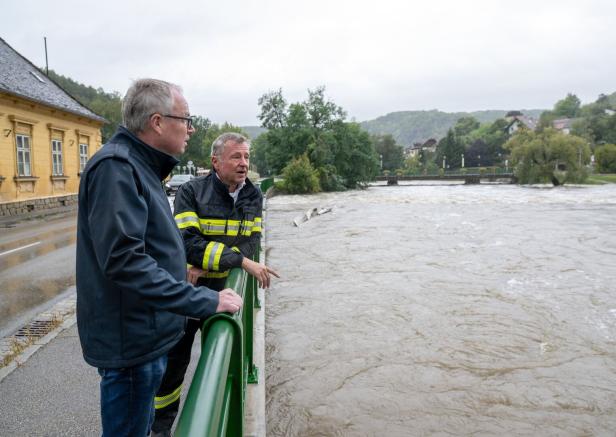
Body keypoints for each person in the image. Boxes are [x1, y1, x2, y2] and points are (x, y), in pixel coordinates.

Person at [75, 79, 243, 437]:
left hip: (144, 334)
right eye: (185, 119)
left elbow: (147, 248)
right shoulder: (117, 167)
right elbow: (125, 261)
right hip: (132, 342)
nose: (191, 128)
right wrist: (204, 299)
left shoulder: (140, 166)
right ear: (157, 121)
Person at [151, 132, 279, 435]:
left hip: (225, 293)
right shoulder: (191, 192)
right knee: (172, 367)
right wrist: (240, 261)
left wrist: (220, 259)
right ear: (215, 161)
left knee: (220, 361)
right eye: (236, 156)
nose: (244, 163)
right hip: (187, 293)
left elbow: (252, 243)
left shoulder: (253, 195)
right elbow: (188, 243)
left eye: (246, 156)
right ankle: (160, 429)